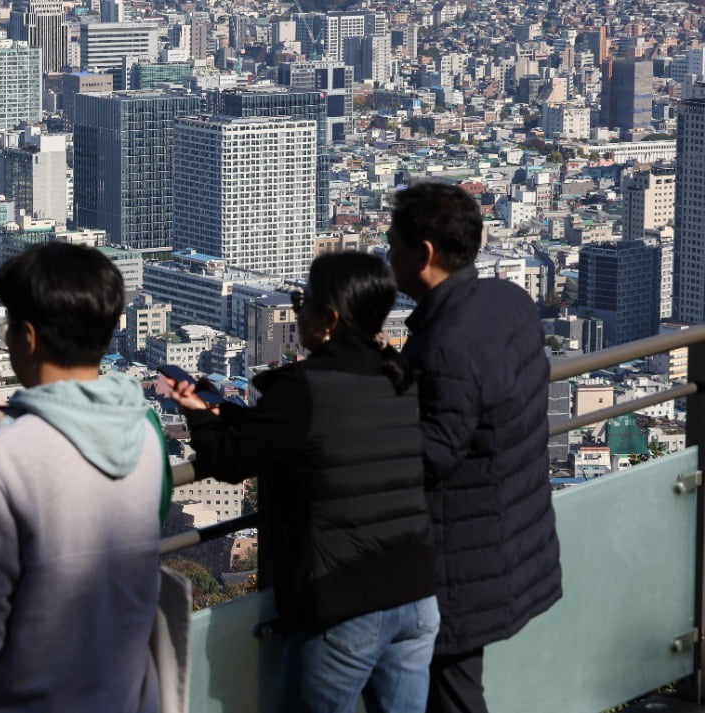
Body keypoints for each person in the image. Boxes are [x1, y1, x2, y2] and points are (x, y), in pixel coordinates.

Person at [166, 251, 439, 713]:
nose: (296, 313)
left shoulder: (302, 387)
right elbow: (297, 433)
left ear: (328, 319)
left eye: (300, 301)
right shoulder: (402, 375)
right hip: (416, 591)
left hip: (346, 599)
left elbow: (232, 461)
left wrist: (199, 419)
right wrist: (229, 412)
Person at [0, 242, 166, 713]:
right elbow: (75, 475)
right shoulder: (144, 434)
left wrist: (3, 441)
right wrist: (6, 430)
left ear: (27, 337)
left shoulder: (1, 465)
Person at [387, 181, 561, 713]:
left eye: (393, 245)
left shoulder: (446, 343)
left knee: (452, 694)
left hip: (458, 557)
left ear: (425, 254)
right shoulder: (507, 301)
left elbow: (432, 454)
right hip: (505, 531)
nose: (388, 256)